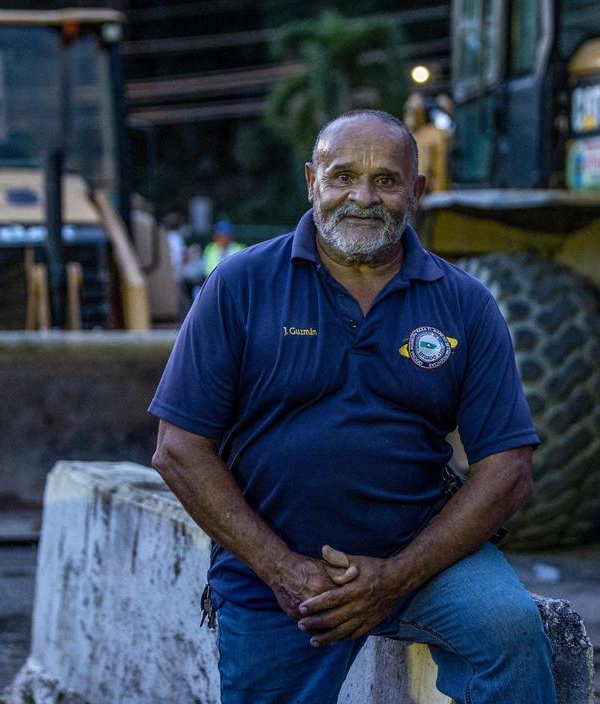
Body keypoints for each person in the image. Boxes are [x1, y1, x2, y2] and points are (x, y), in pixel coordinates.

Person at [148, 109, 555, 704]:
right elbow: (178, 450)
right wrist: (284, 569)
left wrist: (397, 577)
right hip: (278, 580)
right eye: (343, 177)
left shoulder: (465, 303)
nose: (362, 197)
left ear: (416, 192)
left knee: (511, 631)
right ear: (312, 181)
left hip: (426, 562)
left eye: (386, 181)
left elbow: (508, 467)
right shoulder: (240, 284)